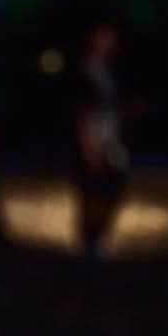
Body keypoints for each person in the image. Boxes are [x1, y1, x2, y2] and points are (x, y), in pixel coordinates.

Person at [72, 19, 131, 256]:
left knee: (111, 191)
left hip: (113, 141)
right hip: (94, 143)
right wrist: (88, 147)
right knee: (93, 194)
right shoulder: (85, 73)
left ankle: (96, 242)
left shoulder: (108, 74)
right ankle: (89, 244)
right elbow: (81, 113)